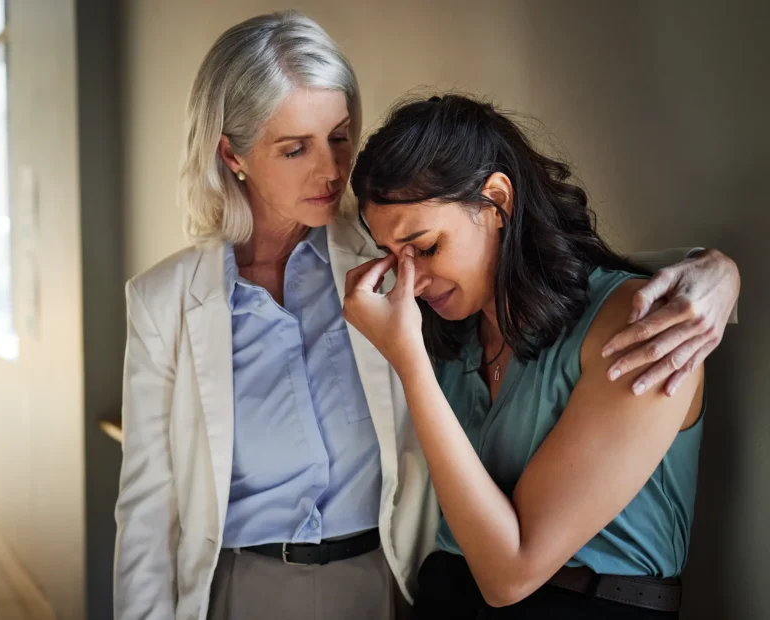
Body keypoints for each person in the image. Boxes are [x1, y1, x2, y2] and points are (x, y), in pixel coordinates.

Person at [114, 13, 741, 620]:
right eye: (295, 148)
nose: (333, 170)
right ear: (233, 154)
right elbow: (146, 511)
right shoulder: (172, 299)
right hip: (249, 584)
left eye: (339, 137)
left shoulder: (394, 270)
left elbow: (576, 273)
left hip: (391, 582)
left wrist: (718, 273)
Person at [342, 94, 735, 618]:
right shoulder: (450, 335)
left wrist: (410, 365)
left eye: (427, 247)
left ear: (496, 200)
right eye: (394, 258)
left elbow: (510, 575)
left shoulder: (639, 324)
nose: (411, 282)